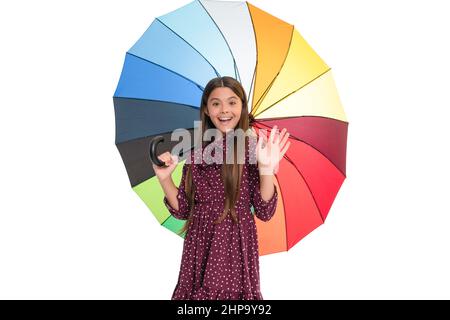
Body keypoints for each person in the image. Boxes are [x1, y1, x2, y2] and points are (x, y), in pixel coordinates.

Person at [152, 76, 290, 300]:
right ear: (206, 109)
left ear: (242, 107)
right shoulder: (196, 151)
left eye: (232, 102)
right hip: (200, 243)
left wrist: (266, 169)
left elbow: (265, 211)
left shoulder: (253, 148)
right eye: (216, 103)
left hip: (234, 245)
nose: (224, 110)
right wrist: (165, 179)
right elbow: (183, 210)